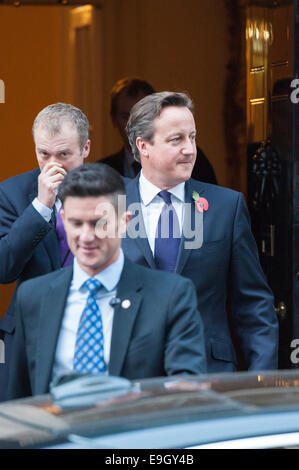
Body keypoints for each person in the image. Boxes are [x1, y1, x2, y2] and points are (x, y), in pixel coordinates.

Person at [7, 163, 206, 399]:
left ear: (125, 221)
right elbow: (20, 399)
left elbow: (186, 394)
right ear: (63, 219)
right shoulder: (33, 297)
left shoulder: (170, 296)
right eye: (76, 223)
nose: (87, 236)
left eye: (98, 223)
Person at [122, 91, 279, 373]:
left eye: (192, 137)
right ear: (143, 145)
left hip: (208, 373)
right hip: (129, 379)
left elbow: (253, 304)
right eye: (176, 139)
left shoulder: (226, 207)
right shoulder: (109, 205)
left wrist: (260, 383)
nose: (190, 149)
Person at [0, 103, 91, 401]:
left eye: (64, 154)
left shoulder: (111, 190)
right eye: (44, 154)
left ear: (85, 148)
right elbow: (4, 268)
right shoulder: (12, 193)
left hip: (92, 329)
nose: (54, 164)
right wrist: (41, 206)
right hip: (31, 335)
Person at [99, 77, 217, 184]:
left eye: (142, 117)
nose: (132, 125)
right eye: (125, 117)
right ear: (113, 119)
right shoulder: (102, 172)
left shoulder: (190, 158)